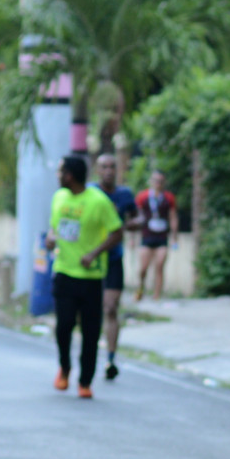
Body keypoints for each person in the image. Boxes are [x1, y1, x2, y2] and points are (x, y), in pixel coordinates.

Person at [45, 155, 121, 398]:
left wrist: (94, 253)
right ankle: (65, 368)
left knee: (90, 331)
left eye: (60, 172)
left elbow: (117, 232)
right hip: (64, 272)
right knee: (64, 326)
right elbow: (54, 227)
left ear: (69, 175)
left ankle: (85, 381)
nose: (57, 176)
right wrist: (50, 238)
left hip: (91, 277)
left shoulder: (98, 201)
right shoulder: (59, 197)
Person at [94, 154, 137, 379]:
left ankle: (110, 359)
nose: (109, 171)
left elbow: (138, 218)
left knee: (111, 308)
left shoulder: (124, 194)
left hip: (112, 258)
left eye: (112, 167)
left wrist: (124, 226)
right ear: (97, 170)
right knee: (91, 310)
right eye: (104, 167)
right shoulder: (90, 193)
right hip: (89, 260)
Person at [134, 170, 177, 301]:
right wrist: (132, 237)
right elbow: (136, 217)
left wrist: (175, 237)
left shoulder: (169, 197)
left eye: (161, 181)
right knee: (143, 268)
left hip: (162, 237)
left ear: (164, 182)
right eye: (156, 180)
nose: (158, 183)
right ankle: (140, 289)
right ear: (151, 181)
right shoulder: (142, 196)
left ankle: (157, 295)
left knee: (159, 265)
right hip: (147, 236)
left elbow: (173, 217)